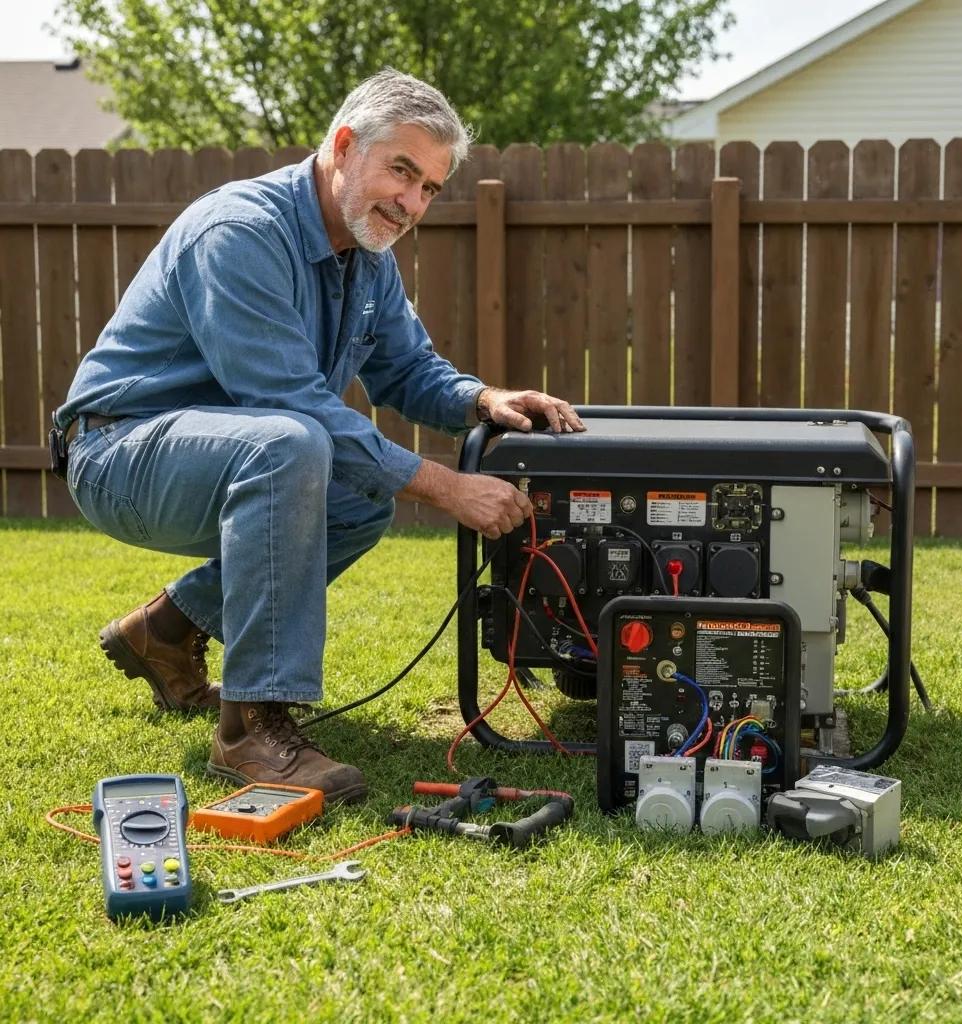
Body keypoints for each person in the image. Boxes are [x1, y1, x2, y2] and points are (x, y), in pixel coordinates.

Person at [54, 69, 584, 805]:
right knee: (292, 442)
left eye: (429, 187)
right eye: (401, 170)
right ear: (343, 146)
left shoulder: (369, 257)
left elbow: (408, 370)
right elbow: (288, 403)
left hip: (228, 451)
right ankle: (251, 729)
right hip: (118, 453)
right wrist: (446, 486)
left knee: (360, 497)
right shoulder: (239, 232)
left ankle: (167, 631)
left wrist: (484, 398)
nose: (411, 202)